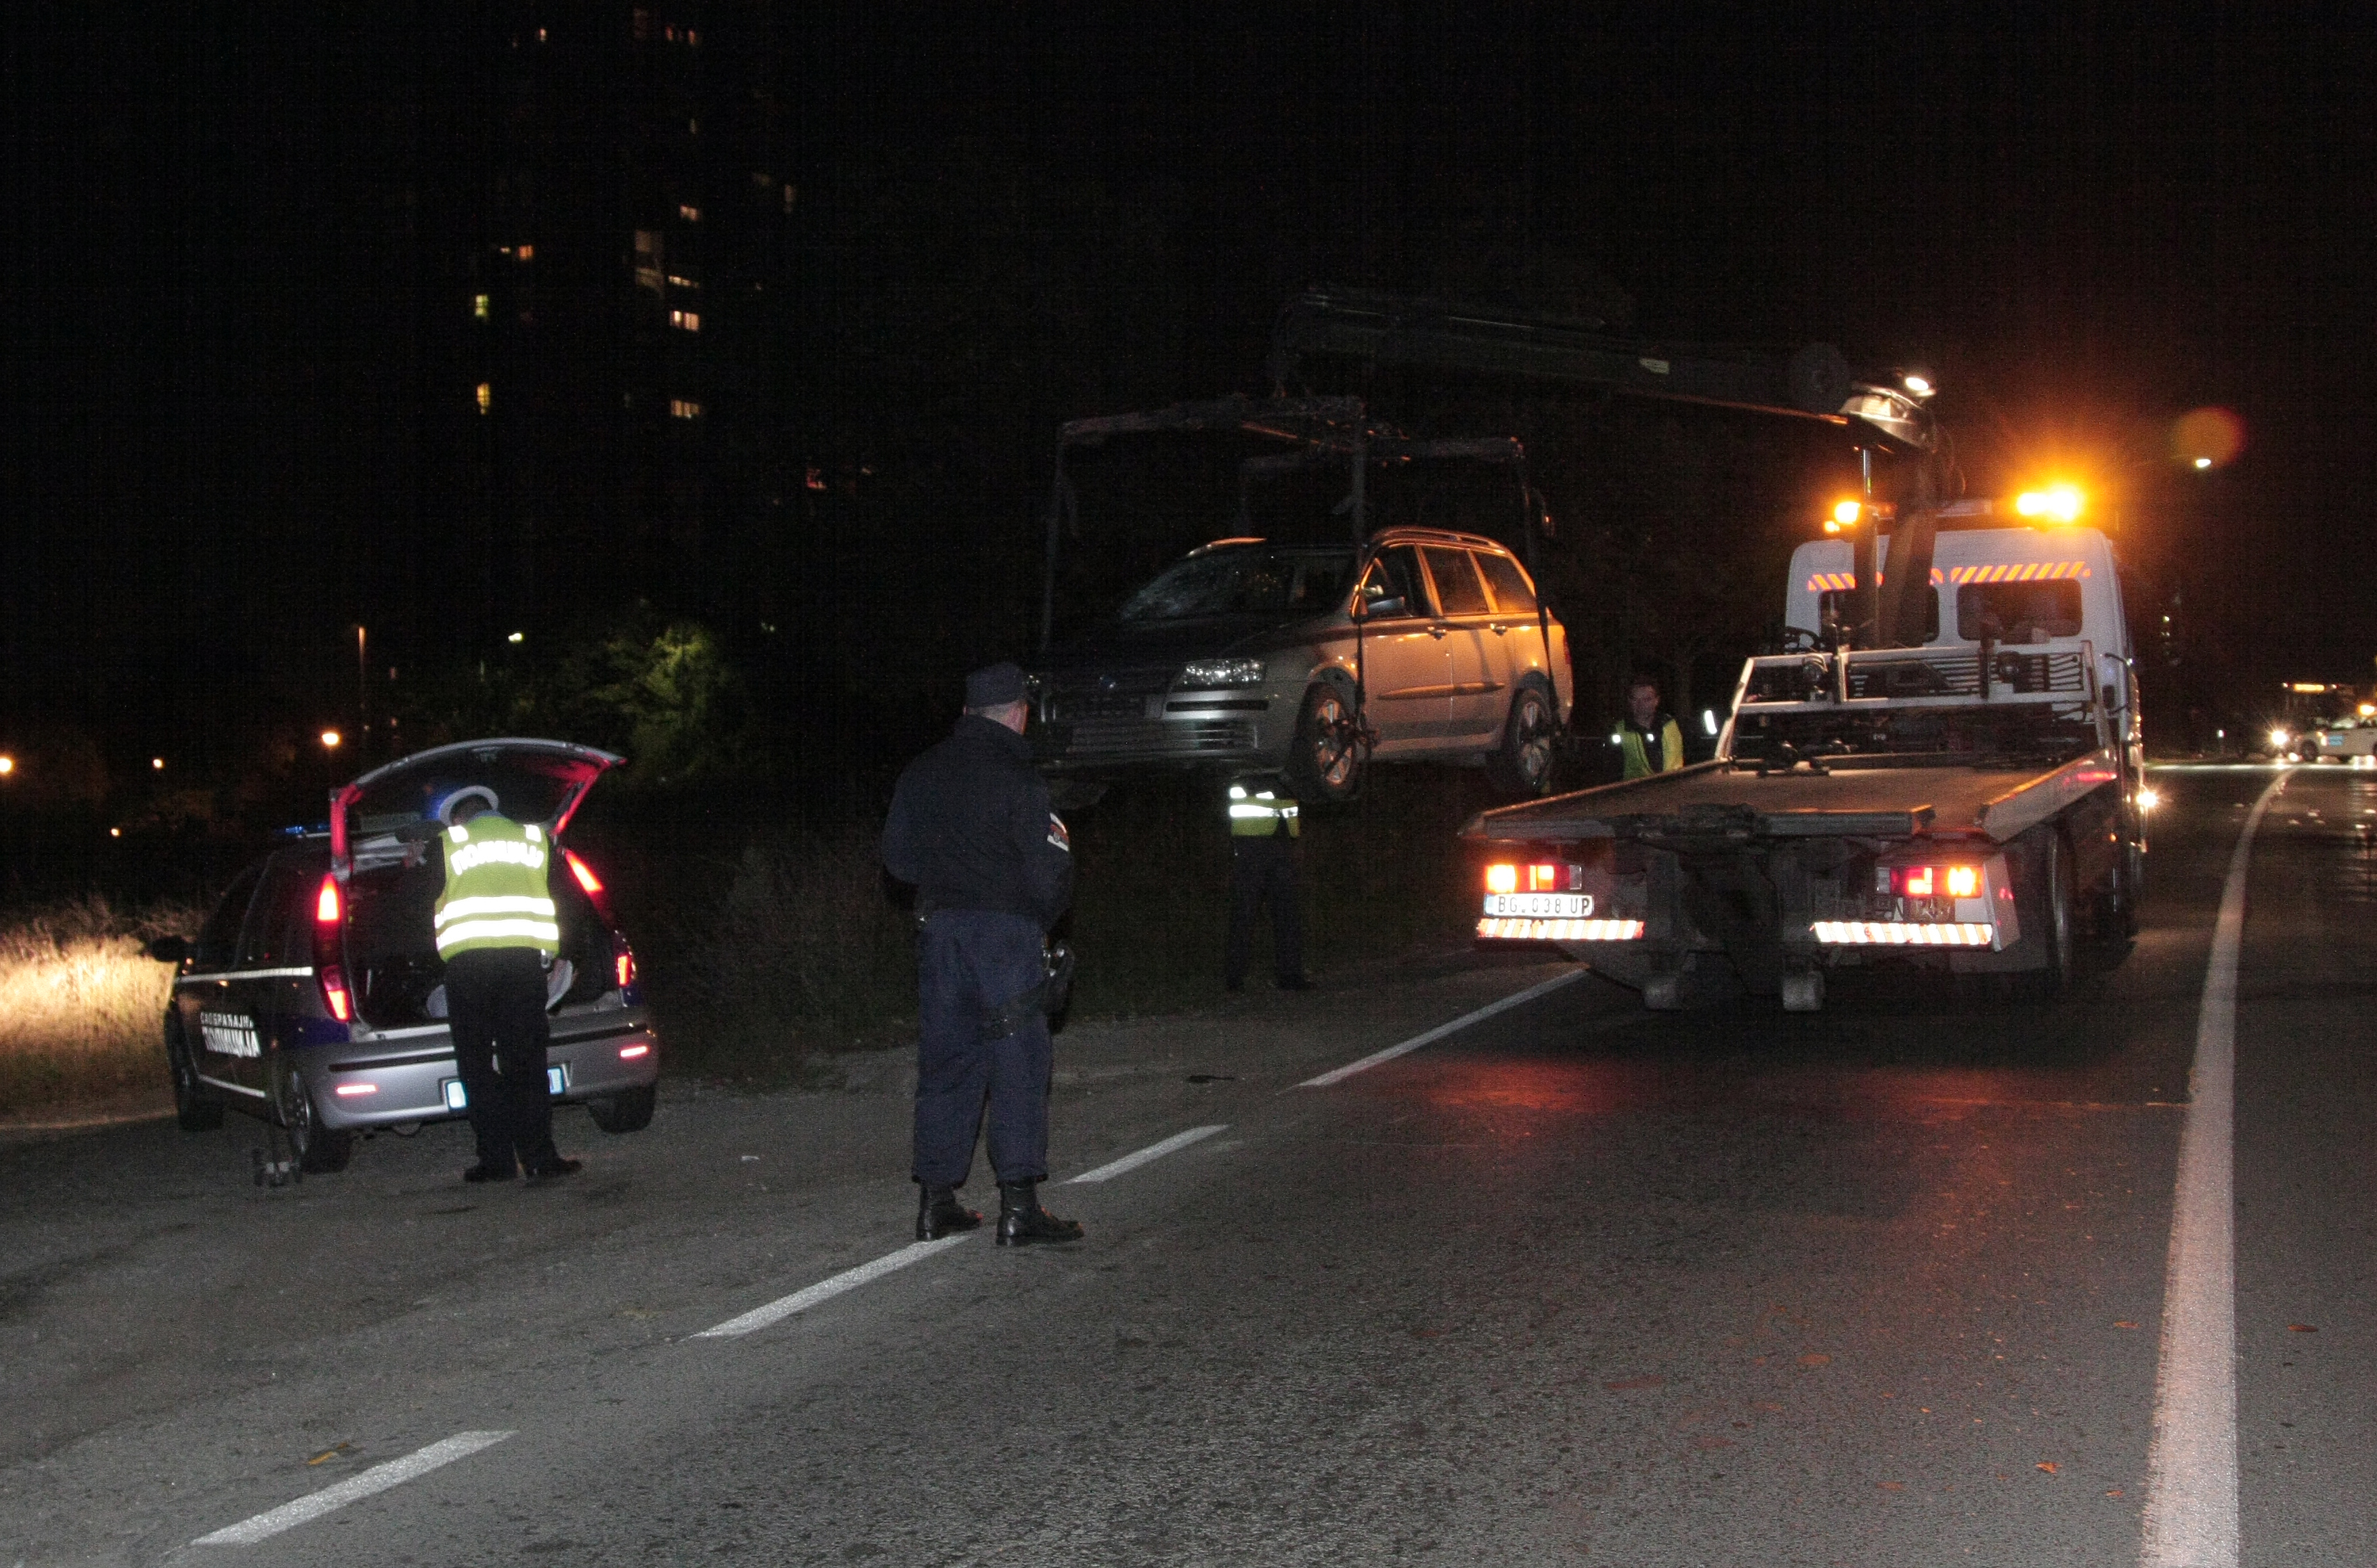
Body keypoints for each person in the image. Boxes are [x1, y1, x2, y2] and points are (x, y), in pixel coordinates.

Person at [882, 661, 1084, 1247]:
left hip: (941, 934)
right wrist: (1035, 923)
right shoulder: (1022, 780)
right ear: (1019, 715)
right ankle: (1019, 1210)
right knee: (1018, 1064)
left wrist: (948, 888)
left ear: (968, 712)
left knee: (947, 1063)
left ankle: (936, 1203)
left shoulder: (921, 773)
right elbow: (1052, 870)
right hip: (1005, 938)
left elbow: (898, 861)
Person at [433, 787, 580, 1183]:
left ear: (459, 819)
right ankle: (540, 1158)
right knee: (527, 1063)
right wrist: (557, 956)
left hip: (469, 969)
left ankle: (497, 1161)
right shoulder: (535, 839)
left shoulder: (447, 845)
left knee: (477, 1065)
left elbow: (419, 906)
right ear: (492, 812)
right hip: (523, 967)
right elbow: (563, 899)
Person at [1222, 773, 1310, 993]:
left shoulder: (1286, 769)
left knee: (1287, 914)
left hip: (1282, 843)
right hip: (1252, 845)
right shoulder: (1249, 768)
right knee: (1245, 913)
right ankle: (1234, 978)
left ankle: (1290, 976)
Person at [1620, 676, 1686, 779]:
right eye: (1635, 699)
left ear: (1657, 700)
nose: (1641, 705)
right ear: (1629, 700)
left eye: (1647, 700)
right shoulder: (1619, 730)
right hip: (1638, 788)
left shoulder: (1672, 724)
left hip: (1674, 785)